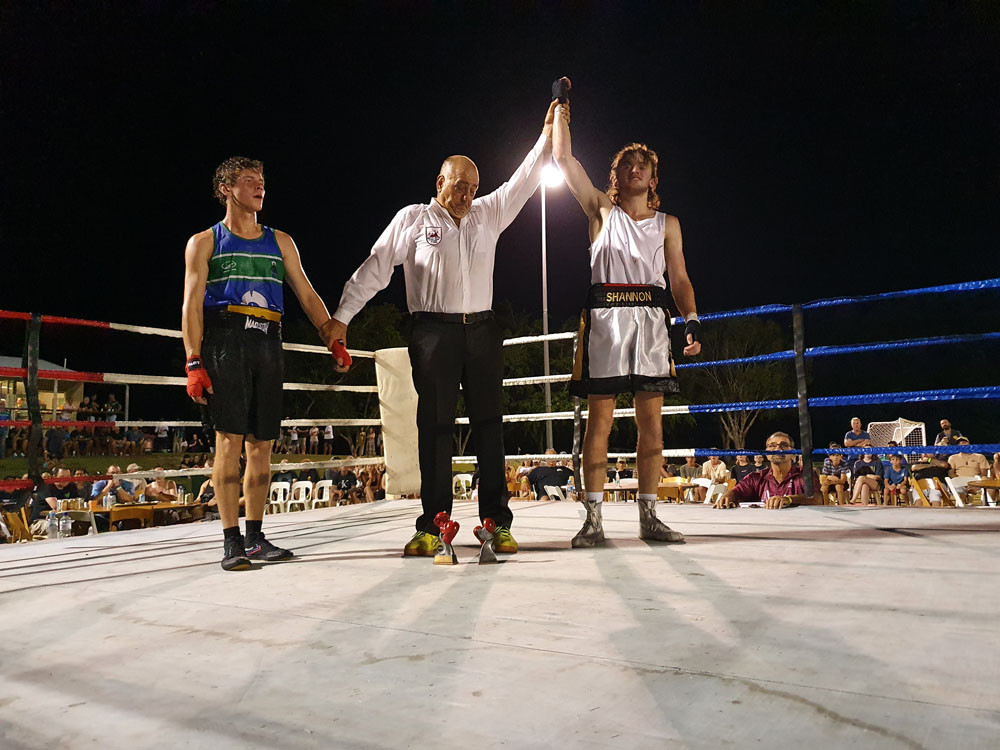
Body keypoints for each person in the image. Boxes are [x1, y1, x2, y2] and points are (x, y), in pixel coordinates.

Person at [326, 99, 559, 557]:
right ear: (440, 183)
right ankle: (432, 526)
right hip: (432, 332)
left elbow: (528, 176)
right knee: (434, 427)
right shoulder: (413, 219)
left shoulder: (489, 213)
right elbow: (376, 268)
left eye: (473, 186)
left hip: (483, 332)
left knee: (490, 427)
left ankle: (496, 523)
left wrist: (548, 131)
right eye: (459, 185)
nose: (467, 193)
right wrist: (342, 317)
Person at [552, 80, 701, 547]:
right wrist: (560, 112)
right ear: (615, 176)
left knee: (652, 425)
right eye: (627, 164)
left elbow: (677, 278)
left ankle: (649, 517)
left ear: (653, 179)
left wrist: (692, 319)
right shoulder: (599, 209)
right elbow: (563, 161)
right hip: (606, 319)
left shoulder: (668, 224)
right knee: (600, 422)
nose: (636, 169)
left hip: (653, 320)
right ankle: (593, 519)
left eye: (644, 165)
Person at [181, 155, 341, 571]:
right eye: (249, 181)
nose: (259, 187)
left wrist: (331, 337)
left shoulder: (281, 241)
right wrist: (193, 361)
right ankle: (230, 540)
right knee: (229, 442)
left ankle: (255, 536)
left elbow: (306, 293)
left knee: (262, 446)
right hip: (225, 340)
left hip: (269, 341)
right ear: (226, 190)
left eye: (262, 181)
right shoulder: (205, 242)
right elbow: (192, 306)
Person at [714, 433, 823, 509]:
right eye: (772, 446)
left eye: (783, 445)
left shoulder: (805, 475)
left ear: (793, 453)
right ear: (766, 454)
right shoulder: (755, 478)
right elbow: (737, 491)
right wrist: (728, 496)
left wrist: (789, 500)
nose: (777, 449)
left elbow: (817, 499)